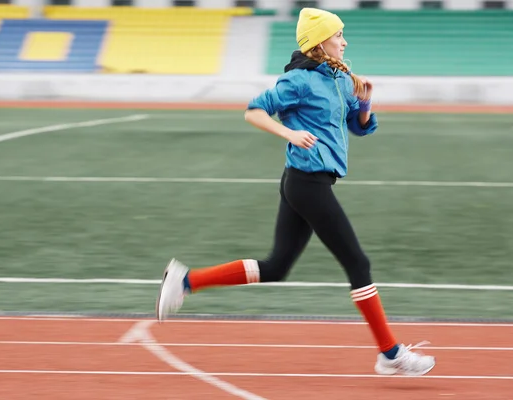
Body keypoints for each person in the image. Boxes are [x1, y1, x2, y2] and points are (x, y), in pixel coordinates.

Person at [155, 8, 435, 376]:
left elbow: (360, 127)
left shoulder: (336, 80)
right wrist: (290, 134)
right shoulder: (299, 81)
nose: (344, 41)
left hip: (303, 183)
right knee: (358, 263)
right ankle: (390, 353)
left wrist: (365, 103)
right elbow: (254, 111)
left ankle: (185, 281)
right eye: (339, 35)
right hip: (307, 183)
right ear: (321, 42)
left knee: (276, 267)